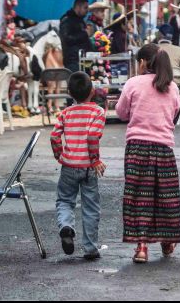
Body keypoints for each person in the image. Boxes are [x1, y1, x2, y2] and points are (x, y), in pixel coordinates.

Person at [116, 44, 180, 264]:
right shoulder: (172, 87)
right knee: (164, 197)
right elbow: (174, 115)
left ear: (143, 62)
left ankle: (141, 247)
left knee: (139, 197)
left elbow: (121, 112)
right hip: (163, 149)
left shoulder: (133, 83)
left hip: (137, 148)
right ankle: (167, 241)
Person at [50, 72, 106, 260]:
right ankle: (90, 248)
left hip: (69, 166)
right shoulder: (97, 112)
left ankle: (66, 226)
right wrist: (96, 159)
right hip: (89, 166)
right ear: (92, 91)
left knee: (65, 200)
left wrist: (60, 155)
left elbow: (54, 136)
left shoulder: (65, 113)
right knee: (90, 206)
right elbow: (92, 136)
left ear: (69, 93)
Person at [59, 0, 91, 73]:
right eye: (85, 8)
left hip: (82, 59)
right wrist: (85, 34)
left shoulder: (80, 20)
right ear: (78, 7)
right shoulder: (67, 20)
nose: (87, 11)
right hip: (73, 61)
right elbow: (67, 39)